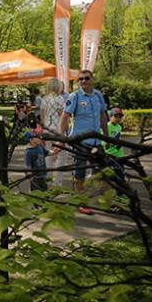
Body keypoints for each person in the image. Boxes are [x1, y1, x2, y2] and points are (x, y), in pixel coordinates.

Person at [57, 70, 108, 215]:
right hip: (80, 142)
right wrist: (62, 139)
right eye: (81, 79)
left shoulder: (99, 96)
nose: (83, 81)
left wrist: (107, 137)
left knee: (103, 171)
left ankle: (106, 201)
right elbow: (64, 117)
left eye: (86, 78)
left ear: (92, 79)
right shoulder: (74, 97)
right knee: (80, 172)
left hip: (97, 141)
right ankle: (82, 202)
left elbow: (103, 116)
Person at [40, 78, 66, 187]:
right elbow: (63, 117)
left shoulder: (44, 99)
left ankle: (48, 181)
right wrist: (66, 131)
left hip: (47, 129)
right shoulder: (60, 99)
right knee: (61, 156)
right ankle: (56, 183)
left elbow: (42, 117)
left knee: (49, 155)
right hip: (58, 130)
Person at [102, 108, 129, 213]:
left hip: (119, 155)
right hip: (109, 155)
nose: (118, 119)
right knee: (107, 177)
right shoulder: (106, 127)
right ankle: (104, 197)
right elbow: (103, 142)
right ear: (110, 116)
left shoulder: (118, 127)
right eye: (116, 116)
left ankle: (120, 195)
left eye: (120, 117)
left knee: (121, 176)